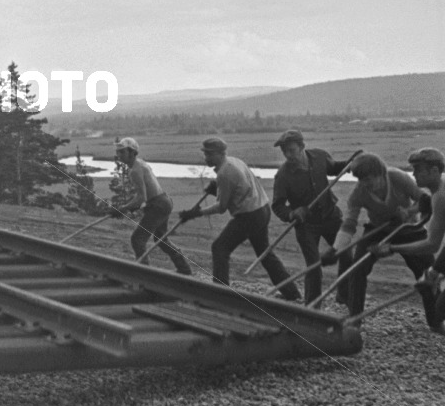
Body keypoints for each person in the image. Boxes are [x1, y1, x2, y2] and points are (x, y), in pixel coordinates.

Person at [178, 137, 301, 301]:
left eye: (210, 154)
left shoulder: (225, 173)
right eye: (205, 154)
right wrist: (218, 188)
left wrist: (196, 213)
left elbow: (221, 208)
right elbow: (240, 189)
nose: (207, 158)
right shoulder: (234, 161)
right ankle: (292, 294)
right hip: (262, 209)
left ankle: (221, 295)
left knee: (220, 248)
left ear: (221, 154)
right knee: (265, 255)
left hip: (249, 216)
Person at [333, 152, 430, 318]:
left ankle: (435, 318)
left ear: (382, 173)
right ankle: (354, 320)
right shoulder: (358, 194)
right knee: (357, 269)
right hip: (378, 230)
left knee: (428, 272)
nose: (365, 184)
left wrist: (408, 211)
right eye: (361, 180)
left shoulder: (398, 178)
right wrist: (336, 250)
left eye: (369, 178)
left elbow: (424, 200)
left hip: (408, 229)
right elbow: (349, 223)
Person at [270, 130, 354, 306]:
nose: (287, 155)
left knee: (346, 254)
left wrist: (350, 163)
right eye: (284, 151)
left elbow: (334, 168)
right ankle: (312, 308)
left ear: (302, 147)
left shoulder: (320, 157)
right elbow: (277, 206)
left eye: (291, 150)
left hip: (331, 216)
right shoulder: (283, 175)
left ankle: (344, 295)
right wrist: (292, 213)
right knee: (314, 266)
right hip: (306, 225)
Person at [367, 148, 444, 333]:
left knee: (441, 309)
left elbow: (431, 245)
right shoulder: (437, 193)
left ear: (434, 171)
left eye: (418, 169)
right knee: (440, 310)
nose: (414, 174)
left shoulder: (441, 197)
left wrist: (392, 248)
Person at [114, 138, 192, 275]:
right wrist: (133, 206)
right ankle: (184, 268)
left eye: (122, 152)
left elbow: (141, 198)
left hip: (158, 205)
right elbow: (144, 196)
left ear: (132, 152)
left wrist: (123, 208)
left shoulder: (135, 171)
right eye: (118, 152)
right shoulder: (140, 164)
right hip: (164, 201)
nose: (118, 155)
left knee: (137, 239)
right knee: (161, 239)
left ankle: (144, 273)